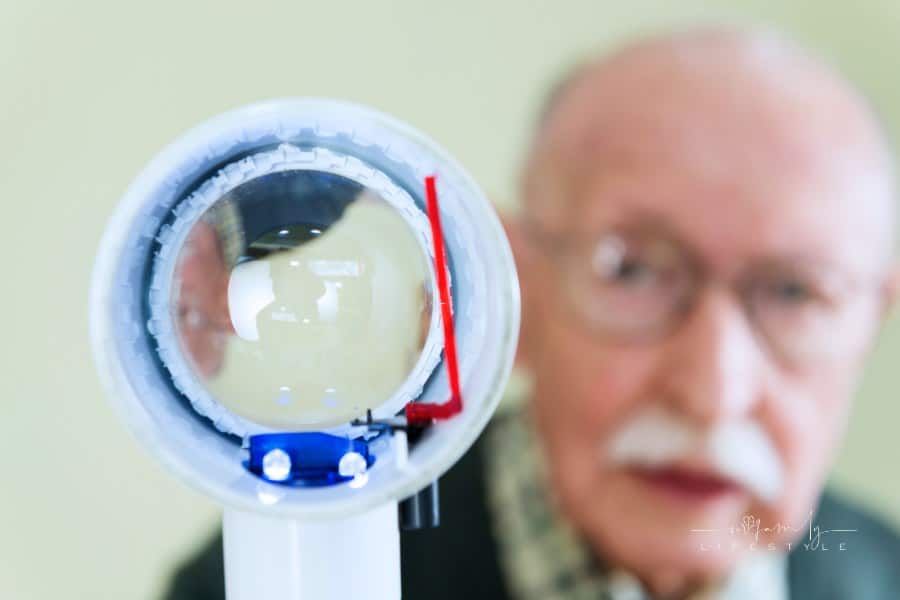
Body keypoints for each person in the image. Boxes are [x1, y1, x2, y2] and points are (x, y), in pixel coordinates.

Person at [165, 25, 900, 599]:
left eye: (797, 293)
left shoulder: (880, 568)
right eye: (632, 270)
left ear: (874, 318)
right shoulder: (283, 578)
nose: (712, 394)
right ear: (507, 286)